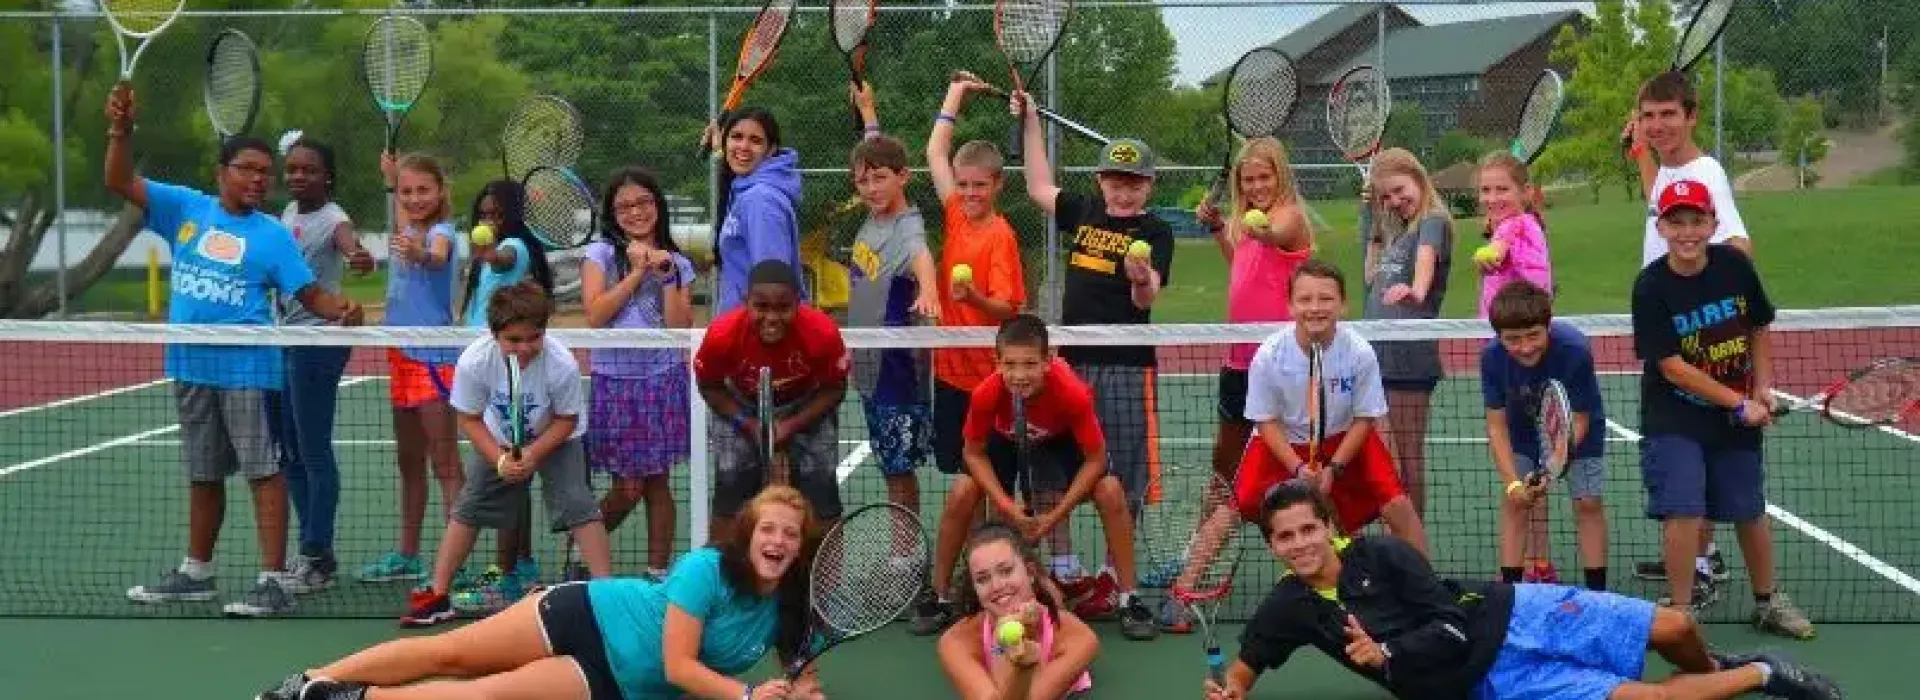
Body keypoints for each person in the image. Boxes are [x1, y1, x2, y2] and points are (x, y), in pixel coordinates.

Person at [1202, 480, 1842, 700]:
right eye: (1284, 537)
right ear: (1272, 546)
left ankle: (1712, 669)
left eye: (1308, 528)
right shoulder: (1290, 604)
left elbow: (1450, 626)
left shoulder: (1384, 554)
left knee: (1675, 628)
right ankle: (1762, 673)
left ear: (1329, 526)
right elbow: (1251, 661)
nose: (1299, 543)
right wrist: (1230, 689)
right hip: (1489, 682)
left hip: (1516, 613)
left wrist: (1387, 657)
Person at [105, 84, 365, 618]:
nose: (259, 179)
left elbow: (309, 295)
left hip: (248, 369)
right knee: (202, 472)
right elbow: (117, 179)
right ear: (222, 171)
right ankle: (196, 572)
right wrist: (120, 129)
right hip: (190, 365)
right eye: (248, 169)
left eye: (265, 172)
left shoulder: (272, 236)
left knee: (263, 471)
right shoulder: (185, 207)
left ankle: (272, 580)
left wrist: (342, 308)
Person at [255, 486, 825, 700]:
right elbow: (679, 666)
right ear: (748, 534)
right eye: (767, 528)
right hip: (585, 616)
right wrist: (747, 698)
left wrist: (802, 695)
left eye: (789, 534)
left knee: (486, 697)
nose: (776, 540)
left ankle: (344, 699)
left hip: (618, 684)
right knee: (448, 653)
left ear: (800, 548)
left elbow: (805, 678)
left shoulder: (791, 607)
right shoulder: (707, 570)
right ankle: (308, 679)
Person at [1012, 89, 1170, 632]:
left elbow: (1149, 301)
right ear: (1101, 181)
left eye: (1133, 182)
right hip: (1069, 365)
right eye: (1114, 180)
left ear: (1148, 185)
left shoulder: (1155, 232)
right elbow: (1036, 185)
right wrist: (1031, 121)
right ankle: (1064, 566)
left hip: (1125, 364)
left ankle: (1113, 577)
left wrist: (1139, 278)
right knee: (1052, 463)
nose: (1122, 191)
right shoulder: (1082, 211)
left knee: (1121, 476)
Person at [1631, 180, 1813, 639]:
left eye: (1697, 221)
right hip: (1674, 416)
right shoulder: (1651, 286)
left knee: (1749, 510)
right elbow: (1672, 367)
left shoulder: (1734, 265)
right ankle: (1679, 611)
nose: (1688, 232)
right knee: (1684, 508)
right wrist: (1739, 402)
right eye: (1677, 222)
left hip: (1736, 414)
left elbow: (1758, 325)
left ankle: (1768, 601)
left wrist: (1765, 386)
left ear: (1714, 223)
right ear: (1662, 226)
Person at [921, 314, 1154, 642]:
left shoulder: (1072, 393)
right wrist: (1007, 506)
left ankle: (1130, 597)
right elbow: (973, 453)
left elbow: (1096, 459)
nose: (1019, 375)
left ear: (1049, 360)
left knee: (1111, 490)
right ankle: (940, 595)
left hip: (1058, 436)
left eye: (1030, 364)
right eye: (1010, 364)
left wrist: (1054, 517)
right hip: (1004, 437)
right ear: (997, 361)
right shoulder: (986, 394)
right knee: (962, 491)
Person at [402, 282, 612, 626]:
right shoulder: (474, 361)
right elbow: (469, 418)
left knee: (578, 502)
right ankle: (437, 596)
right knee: (468, 506)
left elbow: (566, 419)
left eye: (534, 337)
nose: (525, 347)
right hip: (498, 437)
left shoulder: (561, 364)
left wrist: (532, 454)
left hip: (556, 436)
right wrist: (500, 459)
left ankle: (607, 596)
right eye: (514, 339)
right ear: (494, 334)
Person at [1624, 69, 1755, 599]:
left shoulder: (1707, 171)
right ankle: (1702, 556)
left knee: (1689, 451)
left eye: (1668, 115)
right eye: (1649, 117)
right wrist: (1640, 154)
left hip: (1693, 342)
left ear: (1692, 115)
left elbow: (1740, 247)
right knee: (1684, 450)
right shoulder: (1669, 175)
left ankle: (1698, 569)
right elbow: (1660, 206)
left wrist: (1696, 298)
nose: (1658, 125)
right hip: (1668, 330)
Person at [1231, 260, 1428, 555]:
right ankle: (1183, 592)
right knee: (1233, 508)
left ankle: (1428, 589)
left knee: (1397, 502)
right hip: (1283, 441)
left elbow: (1365, 418)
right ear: (1289, 305)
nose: (1315, 307)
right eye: (1305, 299)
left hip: (1346, 438)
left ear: (1342, 305)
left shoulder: (1359, 352)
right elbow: (1265, 422)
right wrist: (1296, 468)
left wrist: (1335, 468)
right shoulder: (1269, 355)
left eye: (1325, 299)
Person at [269, 134, 374, 593]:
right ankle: (312, 550)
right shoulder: (287, 214)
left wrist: (359, 257)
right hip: (283, 341)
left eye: (308, 170)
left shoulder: (335, 219)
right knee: (288, 452)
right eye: (292, 169)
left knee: (313, 451)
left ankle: (318, 554)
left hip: (319, 343)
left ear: (326, 176)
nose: (298, 176)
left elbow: (351, 248)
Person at [1193, 135, 1313, 538]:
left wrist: (1257, 229)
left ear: (1280, 177)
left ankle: (1309, 537)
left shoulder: (1289, 215)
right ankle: (1201, 539)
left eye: (1265, 177)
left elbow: (1275, 235)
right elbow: (1242, 263)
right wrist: (1216, 229)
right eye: (1249, 180)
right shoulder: (1243, 225)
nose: (1258, 186)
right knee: (1223, 461)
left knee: (1290, 459)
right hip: (1238, 361)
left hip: (1281, 364)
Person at [581, 166, 697, 582]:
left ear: (657, 205)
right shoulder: (599, 255)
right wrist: (635, 272)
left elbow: (679, 328)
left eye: (643, 202)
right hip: (614, 381)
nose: (635, 212)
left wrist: (666, 275)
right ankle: (580, 548)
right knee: (627, 488)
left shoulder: (678, 261)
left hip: (662, 379)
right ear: (613, 215)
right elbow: (595, 316)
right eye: (624, 206)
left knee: (657, 484)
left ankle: (657, 573)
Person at [449, 180, 558, 609]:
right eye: (483, 214)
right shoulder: (486, 260)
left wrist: (488, 251)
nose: (488, 221)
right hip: (486, 361)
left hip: (511, 366)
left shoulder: (513, 246)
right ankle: (520, 565)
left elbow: (505, 255)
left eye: (496, 214)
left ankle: (509, 572)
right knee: (510, 473)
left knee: (506, 473)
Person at [360, 152, 464, 586]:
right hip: (399, 356)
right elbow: (403, 207)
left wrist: (420, 253)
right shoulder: (405, 226)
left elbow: (437, 257)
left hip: (433, 357)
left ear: (440, 191)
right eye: (407, 192)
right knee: (408, 462)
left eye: (424, 189)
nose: (416, 198)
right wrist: (390, 180)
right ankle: (408, 554)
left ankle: (454, 564)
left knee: (446, 463)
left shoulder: (441, 233)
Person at [693, 260, 850, 543]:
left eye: (783, 307)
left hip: (806, 402)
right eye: (761, 307)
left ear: (798, 303)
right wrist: (747, 423)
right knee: (732, 490)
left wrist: (792, 425)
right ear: (746, 302)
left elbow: (835, 388)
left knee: (821, 494)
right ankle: (724, 576)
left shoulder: (822, 333)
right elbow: (710, 385)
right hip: (741, 403)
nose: (772, 317)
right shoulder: (722, 335)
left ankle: (822, 583)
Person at [845, 84, 940, 519]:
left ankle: (907, 556)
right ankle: (908, 551)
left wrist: (930, 289)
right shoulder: (874, 212)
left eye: (880, 177)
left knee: (898, 470)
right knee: (889, 466)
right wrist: (868, 111)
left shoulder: (905, 224)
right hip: (868, 365)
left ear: (904, 176)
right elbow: (872, 151)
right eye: (862, 180)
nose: (870, 187)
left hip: (896, 369)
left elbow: (920, 252)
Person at [1482, 280, 1608, 589]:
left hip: (1577, 428)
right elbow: (1496, 426)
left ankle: (1597, 592)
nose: (1525, 347)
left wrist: (1551, 468)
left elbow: (1579, 418)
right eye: (1513, 339)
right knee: (1516, 502)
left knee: (1588, 502)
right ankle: (1511, 591)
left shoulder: (1574, 350)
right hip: (1520, 428)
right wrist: (1514, 483)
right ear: (1499, 337)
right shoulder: (1491, 358)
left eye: (1533, 335)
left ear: (1547, 327)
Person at [1357, 148, 1452, 517]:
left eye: (1399, 190)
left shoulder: (1432, 221)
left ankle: (1412, 552)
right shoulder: (1398, 232)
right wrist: (1372, 218)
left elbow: (1425, 264)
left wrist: (1417, 291)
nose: (1395, 201)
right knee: (1385, 463)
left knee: (1407, 459)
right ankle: (1392, 548)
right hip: (1375, 355)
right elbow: (1369, 277)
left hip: (1408, 356)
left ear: (1417, 177)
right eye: (1386, 197)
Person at [937, 524, 1097, 700]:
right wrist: (1002, 645)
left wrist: (1027, 639)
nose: (997, 586)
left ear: (1030, 572)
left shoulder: (1080, 637)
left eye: (1006, 571)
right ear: (974, 588)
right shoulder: (955, 642)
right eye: (982, 579)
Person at [707, 108, 806, 315]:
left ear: (770, 150)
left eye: (755, 140)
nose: (743, 147)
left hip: (757, 334)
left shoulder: (760, 201)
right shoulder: (745, 188)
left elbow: (772, 287)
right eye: (736, 137)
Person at [1473, 151, 1552, 319]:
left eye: (1502, 189)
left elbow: (1496, 251)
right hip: (1517, 328)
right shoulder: (1529, 223)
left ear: (1526, 192)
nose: (1492, 199)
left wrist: (1485, 258)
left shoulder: (1515, 226)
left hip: (1514, 333)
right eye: (1485, 190)